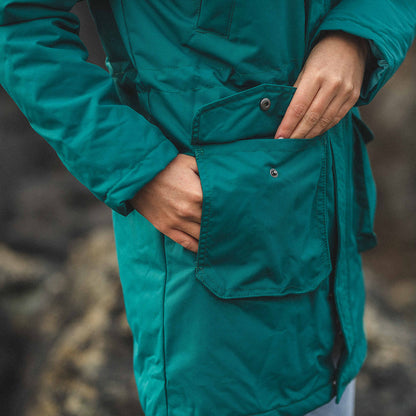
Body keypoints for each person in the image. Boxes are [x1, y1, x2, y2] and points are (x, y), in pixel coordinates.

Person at [0, 1, 415, 415]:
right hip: (209, 276)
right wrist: (140, 168)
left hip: (329, 259)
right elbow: (18, 22)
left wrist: (355, 37)